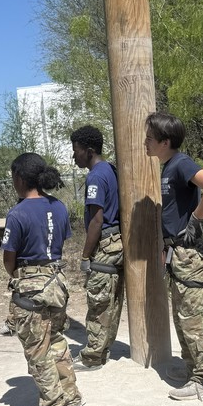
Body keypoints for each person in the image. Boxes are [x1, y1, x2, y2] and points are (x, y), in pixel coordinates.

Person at [144, 112, 203, 401]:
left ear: (165, 142)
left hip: (190, 253)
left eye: (150, 139)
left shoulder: (181, 163)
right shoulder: (168, 166)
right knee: (183, 315)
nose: (146, 142)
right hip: (177, 252)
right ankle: (194, 368)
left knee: (195, 317)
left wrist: (195, 220)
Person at [2, 152, 83, 406]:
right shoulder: (58, 206)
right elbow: (58, 243)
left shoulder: (17, 213)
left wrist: (19, 278)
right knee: (57, 341)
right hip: (57, 283)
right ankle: (72, 397)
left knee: (38, 349)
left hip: (30, 286)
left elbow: (9, 259)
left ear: (21, 178)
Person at [71, 125, 124, 371]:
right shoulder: (111, 169)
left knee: (98, 302)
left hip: (105, 244)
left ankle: (92, 357)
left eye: (76, 150)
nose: (74, 156)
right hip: (117, 244)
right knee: (110, 302)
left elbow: (96, 219)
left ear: (89, 151)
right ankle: (101, 351)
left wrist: (85, 255)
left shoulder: (95, 176)